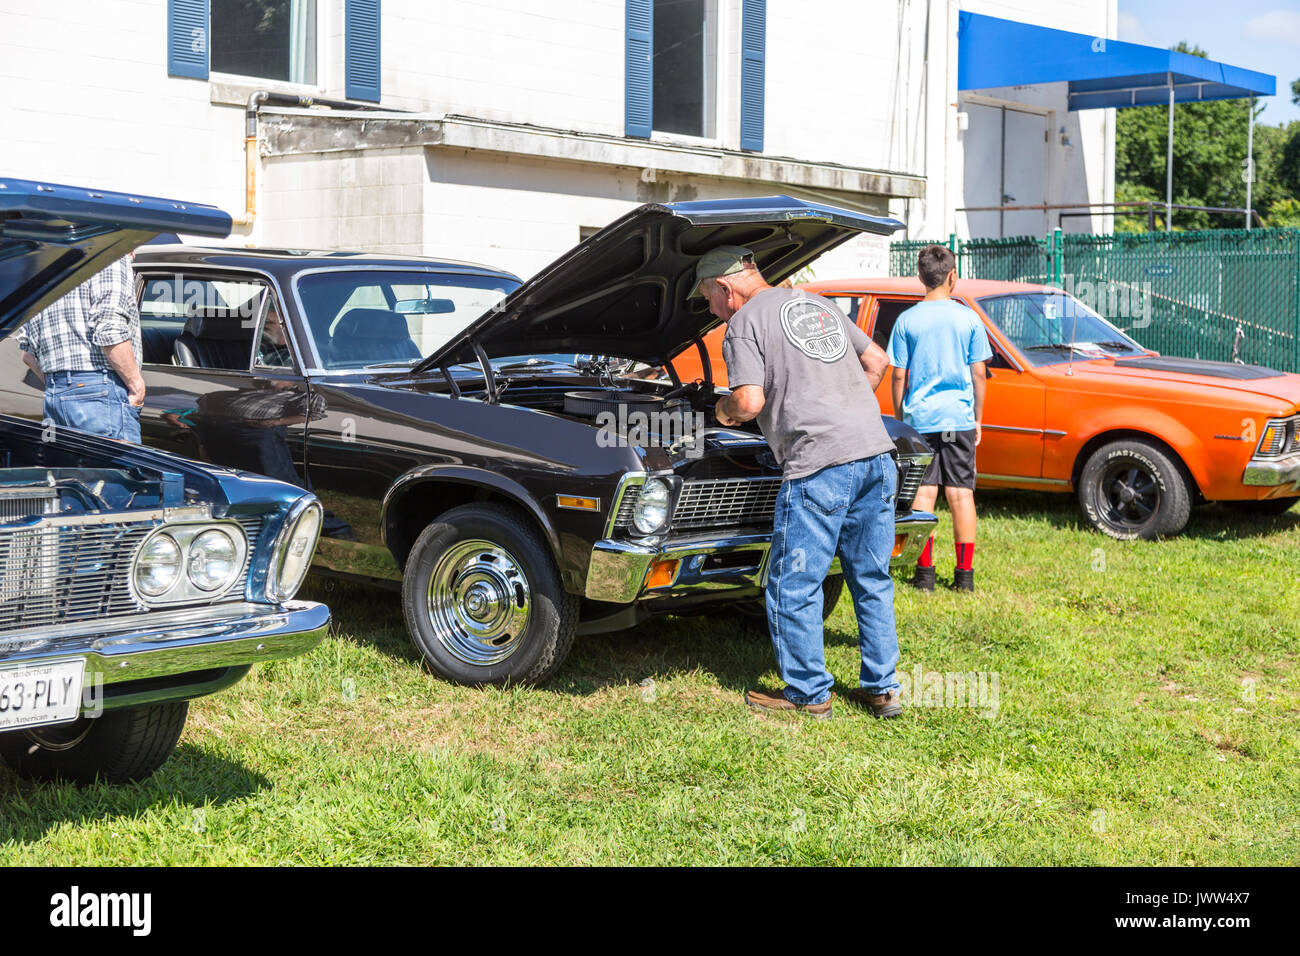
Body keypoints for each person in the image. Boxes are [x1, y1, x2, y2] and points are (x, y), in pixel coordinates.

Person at [698, 245, 903, 720]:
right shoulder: (816, 302)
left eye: (708, 298)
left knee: (795, 581)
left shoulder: (744, 323)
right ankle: (882, 689)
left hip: (819, 465)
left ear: (726, 289)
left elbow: (748, 401)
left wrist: (721, 413)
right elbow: (877, 360)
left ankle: (808, 693)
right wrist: (841, 407)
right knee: (871, 577)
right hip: (875, 452)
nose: (709, 310)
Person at [885, 245, 992, 592]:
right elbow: (978, 373)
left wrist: (903, 416)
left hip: (921, 420)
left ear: (920, 278)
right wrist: (977, 417)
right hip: (957, 420)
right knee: (961, 495)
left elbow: (898, 375)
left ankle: (925, 574)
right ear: (952, 276)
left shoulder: (907, 320)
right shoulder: (968, 318)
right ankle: (964, 577)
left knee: (924, 493)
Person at [18, 256, 146, 443]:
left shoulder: (45, 263)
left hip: (54, 394)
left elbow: (28, 354)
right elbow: (109, 327)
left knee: (69, 471)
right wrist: (137, 386)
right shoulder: (113, 255)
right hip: (99, 391)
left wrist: (62, 387)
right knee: (114, 471)